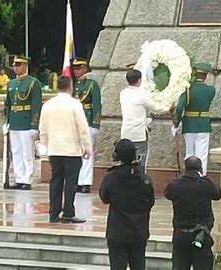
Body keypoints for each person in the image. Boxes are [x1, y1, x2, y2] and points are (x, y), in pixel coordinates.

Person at [39, 75, 92, 224]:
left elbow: (42, 129)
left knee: (55, 181)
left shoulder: (48, 105)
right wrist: (86, 147)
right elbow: (82, 127)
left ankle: (53, 213)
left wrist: (47, 145)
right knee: (71, 181)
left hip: (54, 149)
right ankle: (68, 211)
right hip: (71, 150)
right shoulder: (75, 104)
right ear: (70, 87)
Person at [99, 139, 155, 270]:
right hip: (139, 231)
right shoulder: (144, 179)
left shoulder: (111, 178)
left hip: (117, 233)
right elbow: (150, 202)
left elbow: (104, 198)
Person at [164, 156, 221, 270]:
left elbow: (168, 194)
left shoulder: (175, 184)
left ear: (185, 168)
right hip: (201, 233)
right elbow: (217, 195)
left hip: (181, 233)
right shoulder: (206, 183)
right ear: (200, 169)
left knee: (180, 265)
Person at [120, 69, 172, 171]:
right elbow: (155, 108)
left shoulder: (123, 93)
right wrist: (169, 109)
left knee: (126, 160)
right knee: (140, 160)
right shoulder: (141, 95)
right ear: (139, 80)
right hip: (139, 134)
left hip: (126, 132)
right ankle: (139, 180)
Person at [4, 55, 42, 190]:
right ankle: (19, 178)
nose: (15, 67)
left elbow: (36, 105)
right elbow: (8, 104)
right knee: (16, 151)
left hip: (26, 122)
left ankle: (27, 179)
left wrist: (34, 125)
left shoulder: (33, 83)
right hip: (15, 122)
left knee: (27, 152)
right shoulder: (11, 83)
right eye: (14, 65)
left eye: (18, 65)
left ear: (25, 66)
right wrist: (7, 121)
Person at [172, 63, 216, 176]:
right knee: (202, 155)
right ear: (205, 75)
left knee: (190, 154)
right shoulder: (211, 90)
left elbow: (180, 107)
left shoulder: (188, 90)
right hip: (204, 124)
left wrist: (176, 123)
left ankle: (189, 176)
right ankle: (202, 177)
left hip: (189, 124)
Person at [71, 57, 102, 194]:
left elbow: (96, 105)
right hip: (75, 123)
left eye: (79, 68)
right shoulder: (73, 85)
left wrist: (95, 124)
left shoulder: (91, 84)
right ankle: (78, 180)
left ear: (85, 68)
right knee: (77, 153)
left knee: (87, 153)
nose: (76, 71)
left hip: (87, 122)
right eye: (75, 68)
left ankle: (86, 182)